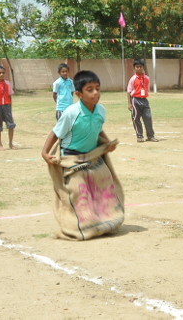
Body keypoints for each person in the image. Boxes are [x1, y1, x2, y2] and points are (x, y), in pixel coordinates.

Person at [41, 70, 123, 240]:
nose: (95, 93)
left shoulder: (101, 111)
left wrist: (107, 143)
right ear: (79, 94)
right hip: (72, 158)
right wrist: (45, 152)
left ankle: (104, 222)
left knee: (105, 185)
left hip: (92, 156)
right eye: (90, 89)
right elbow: (56, 133)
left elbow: (98, 128)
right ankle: (78, 227)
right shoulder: (71, 112)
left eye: (98, 88)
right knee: (79, 192)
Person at [127, 58, 157, 143]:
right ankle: (139, 136)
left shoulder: (147, 78)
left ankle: (150, 136)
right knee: (136, 118)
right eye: (137, 67)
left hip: (144, 100)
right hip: (135, 100)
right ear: (134, 68)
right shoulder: (132, 79)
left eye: (140, 67)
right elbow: (129, 91)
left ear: (143, 67)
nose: (139, 68)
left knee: (148, 118)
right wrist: (129, 103)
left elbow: (147, 89)